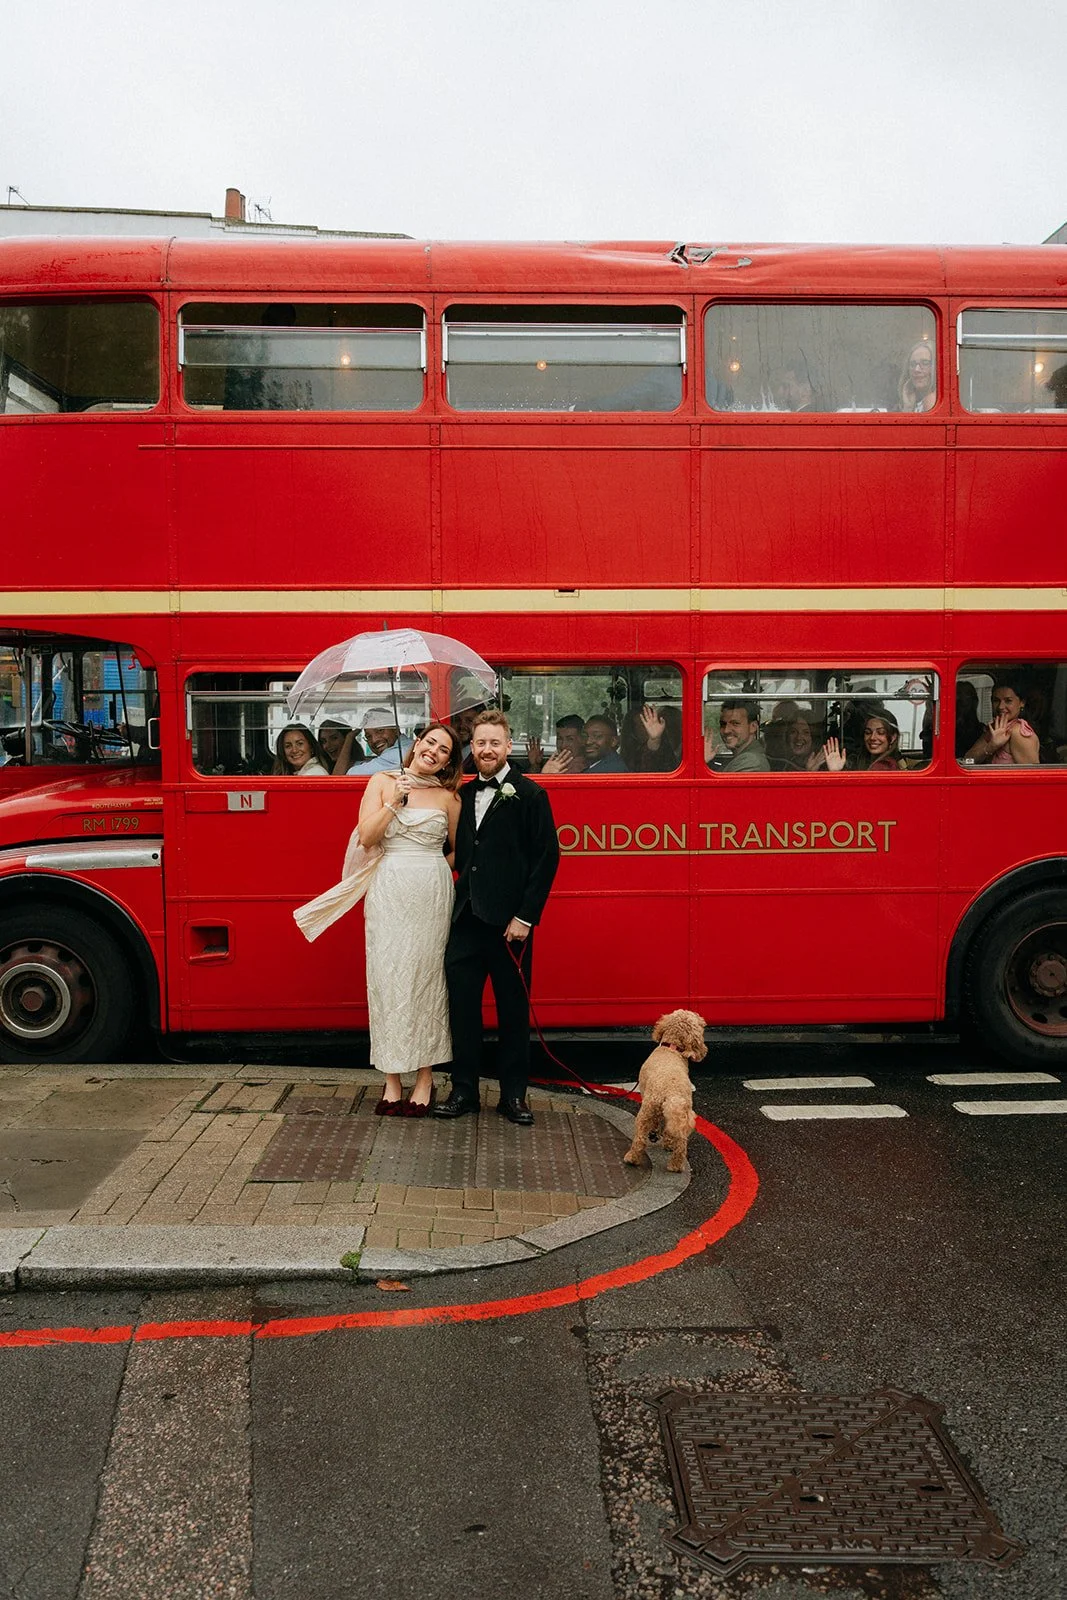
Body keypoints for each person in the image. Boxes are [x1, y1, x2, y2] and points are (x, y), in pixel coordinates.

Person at [294, 724, 463, 1115]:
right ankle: (391, 1079)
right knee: (387, 978)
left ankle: (425, 1077)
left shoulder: (449, 798)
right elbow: (367, 838)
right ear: (417, 744)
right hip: (388, 890)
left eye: (444, 750)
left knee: (426, 979)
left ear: (448, 761)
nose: (434, 752)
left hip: (429, 893)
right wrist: (394, 804)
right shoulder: (383, 782)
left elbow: (460, 853)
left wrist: (433, 867)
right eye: (430, 743)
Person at [436, 709, 560, 1127]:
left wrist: (525, 918)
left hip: (510, 927)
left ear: (509, 747)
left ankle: (513, 1096)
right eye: (480, 743)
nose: (486, 750)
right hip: (466, 922)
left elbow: (546, 860)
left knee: (512, 1013)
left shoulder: (530, 795)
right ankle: (464, 1090)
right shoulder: (462, 795)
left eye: (494, 743)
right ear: (472, 748)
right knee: (462, 1012)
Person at [964, 677, 1041, 766]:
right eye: (996, 700)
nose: (1000, 706)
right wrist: (991, 747)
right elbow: (967, 760)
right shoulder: (995, 728)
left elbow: (1031, 776)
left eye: (1008, 701)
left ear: (1022, 703)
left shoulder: (1018, 732)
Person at [335, 707, 413, 775]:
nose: (374, 740)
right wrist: (350, 737)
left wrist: (350, 737)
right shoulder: (403, 748)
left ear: (395, 729)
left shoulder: (400, 752)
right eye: (368, 736)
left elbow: (347, 774)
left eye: (380, 730)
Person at [824, 710, 908, 771]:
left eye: (880, 732)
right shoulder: (867, 761)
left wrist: (835, 772)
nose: (872, 737)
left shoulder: (883, 767)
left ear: (893, 737)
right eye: (868, 732)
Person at [706, 699, 770, 772]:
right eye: (723, 724)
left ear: (753, 726)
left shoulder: (751, 761)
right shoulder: (739, 758)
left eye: (735, 723)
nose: (726, 730)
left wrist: (700, 761)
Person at [620, 704, 679, 772]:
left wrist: (654, 740)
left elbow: (653, 753)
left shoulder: (665, 749)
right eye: (643, 724)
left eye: (654, 723)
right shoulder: (628, 756)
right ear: (632, 731)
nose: (650, 727)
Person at [901, 342, 936, 412]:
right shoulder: (914, 401)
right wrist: (908, 407)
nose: (917, 369)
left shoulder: (932, 401)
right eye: (912, 364)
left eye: (925, 363)